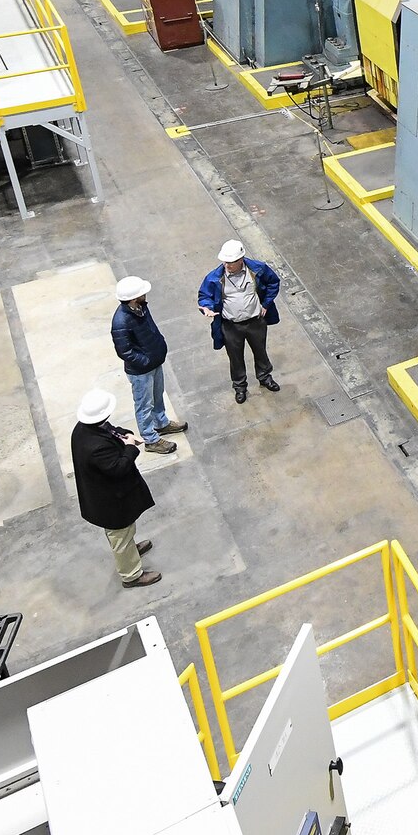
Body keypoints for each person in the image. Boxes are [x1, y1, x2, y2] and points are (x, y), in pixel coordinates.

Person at [70, 389, 161, 589]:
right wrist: (130, 448)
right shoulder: (95, 447)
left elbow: (110, 429)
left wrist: (125, 435)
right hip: (110, 501)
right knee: (120, 534)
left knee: (125, 531)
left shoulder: (85, 427)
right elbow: (118, 468)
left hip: (112, 495)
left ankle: (130, 552)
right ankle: (131, 575)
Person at [110, 275, 188, 455]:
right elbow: (124, 351)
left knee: (157, 395)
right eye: (142, 292)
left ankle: (161, 423)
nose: (146, 293)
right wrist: (145, 361)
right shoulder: (120, 321)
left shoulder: (141, 307)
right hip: (141, 371)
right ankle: (150, 439)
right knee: (144, 404)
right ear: (134, 297)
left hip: (154, 362)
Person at [198, 239, 281, 404]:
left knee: (260, 351)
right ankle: (240, 387)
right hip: (231, 326)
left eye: (231, 262)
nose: (227, 266)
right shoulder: (215, 278)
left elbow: (273, 282)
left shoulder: (258, 269)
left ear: (241, 260)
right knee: (235, 357)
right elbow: (204, 296)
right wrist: (206, 307)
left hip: (255, 321)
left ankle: (265, 377)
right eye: (225, 262)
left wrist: (265, 304)